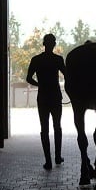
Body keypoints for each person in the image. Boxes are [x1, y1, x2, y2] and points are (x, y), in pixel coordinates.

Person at [26, 34, 66, 170]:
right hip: (55, 96)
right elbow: (68, 75)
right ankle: (58, 157)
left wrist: (40, 85)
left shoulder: (36, 60)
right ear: (54, 44)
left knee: (44, 129)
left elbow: (28, 78)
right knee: (57, 127)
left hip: (43, 96)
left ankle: (48, 161)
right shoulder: (58, 60)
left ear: (44, 44)